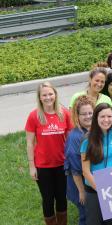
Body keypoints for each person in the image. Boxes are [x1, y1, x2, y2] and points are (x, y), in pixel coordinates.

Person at [25, 82, 72, 225]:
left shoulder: (64, 113)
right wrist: (32, 166)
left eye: (50, 94)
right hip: (43, 165)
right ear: (39, 97)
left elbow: (70, 140)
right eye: (44, 95)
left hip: (61, 163)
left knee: (62, 198)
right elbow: (29, 143)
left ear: (55, 94)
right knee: (48, 198)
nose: (48, 97)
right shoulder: (34, 116)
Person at [80, 103, 112, 225]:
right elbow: (85, 171)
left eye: (109, 116)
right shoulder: (87, 140)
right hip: (95, 189)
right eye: (102, 116)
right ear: (96, 118)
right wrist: (102, 190)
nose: (106, 120)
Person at [64, 96, 94, 225]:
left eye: (90, 113)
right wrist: (82, 192)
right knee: (86, 215)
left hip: (91, 180)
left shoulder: (94, 130)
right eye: (84, 114)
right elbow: (75, 170)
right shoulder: (75, 137)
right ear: (77, 116)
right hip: (79, 184)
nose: (88, 116)